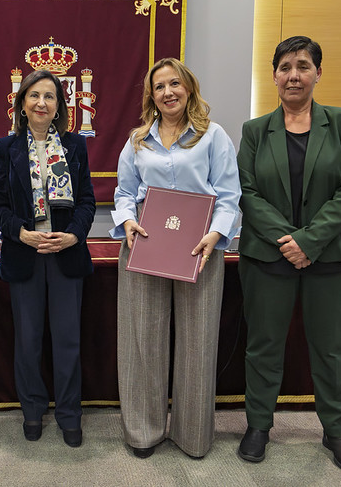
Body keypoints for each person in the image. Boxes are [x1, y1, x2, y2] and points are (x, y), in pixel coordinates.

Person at [236, 36, 341, 473]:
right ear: (274, 75)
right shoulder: (256, 131)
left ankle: (337, 431)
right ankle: (258, 426)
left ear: (317, 73)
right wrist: (288, 240)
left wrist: (310, 241)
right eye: (286, 66)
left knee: (331, 347)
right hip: (269, 257)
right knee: (263, 346)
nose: (294, 74)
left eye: (303, 66)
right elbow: (248, 193)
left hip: (332, 257)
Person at [110, 58, 241, 459]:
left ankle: (192, 434)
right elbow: (123, 193)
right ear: (151, 94)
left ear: (189, 89)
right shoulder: (137, 140)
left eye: (175, 84)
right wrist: (128, 222)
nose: (168, 92)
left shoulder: (213, 136)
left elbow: (229, 194)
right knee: (141, 342)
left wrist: (215, 235)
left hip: (199, 249)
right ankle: (144, 432)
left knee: (197, 344)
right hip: (144, 246)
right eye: (159, 86)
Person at [0, 70, 96, 448]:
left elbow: (86, 202)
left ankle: (69, 414)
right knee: (29, 341)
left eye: (50, 97)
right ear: (21, 103)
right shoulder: (6, 148)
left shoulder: (75, 147)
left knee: (68, 341)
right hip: (25, 256)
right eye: (34, 96)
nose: (41, 103)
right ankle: (32, 410)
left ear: (59, 106)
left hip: (66, 256)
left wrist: (73, 235)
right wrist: (21, 233)